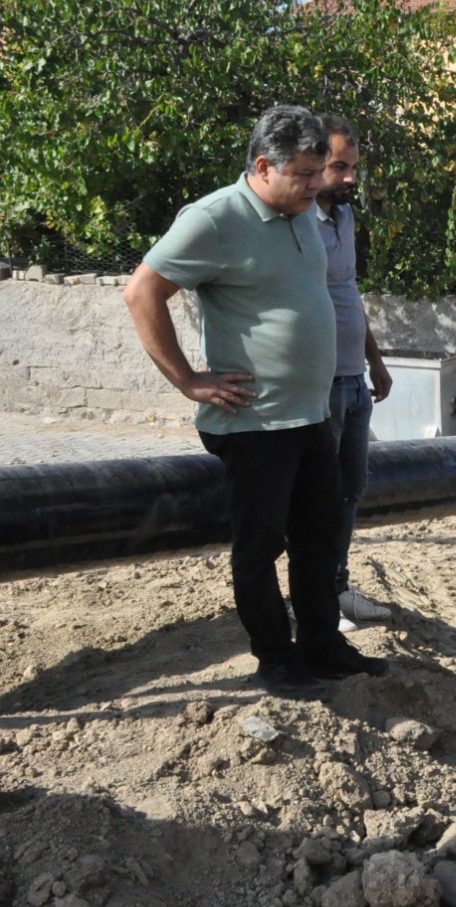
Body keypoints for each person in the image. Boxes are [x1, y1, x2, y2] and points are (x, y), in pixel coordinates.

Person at [123, 105, 387, 701]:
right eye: (304, 175)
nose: (316, 185)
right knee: (260, 548)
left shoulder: (298, 213)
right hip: (255, 422)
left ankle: (322, 644)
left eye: (321, 172)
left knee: (320, 541)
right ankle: (276, 658)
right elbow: (142, 292)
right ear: (263, 167)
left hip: (312, 413)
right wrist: (189, 380)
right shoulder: (214, 219)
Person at [315, 114, 393, 629]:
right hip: (315, 387)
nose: (349, 178)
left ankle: (336, 589)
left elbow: (348, 293)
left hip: (351, 382)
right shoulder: (294, 221)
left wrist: (375, 360)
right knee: (316, 498)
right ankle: (315, 601)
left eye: (354, 167)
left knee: (350, 491)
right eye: (339, 166)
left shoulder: (342, 218)